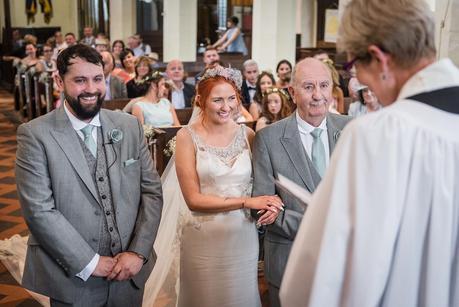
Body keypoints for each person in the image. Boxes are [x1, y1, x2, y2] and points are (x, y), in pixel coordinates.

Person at [280, 1, 459, 306]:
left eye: (353, 66)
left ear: (378, 58)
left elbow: (313, 282)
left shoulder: (377, 136)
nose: (358, 79)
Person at [15, 44, 163, 306]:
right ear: (59, 81)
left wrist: (138, 253)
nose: (91, 89)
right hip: (72, 277)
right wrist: (90, 262)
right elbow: (39, 210)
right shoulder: (35, 134)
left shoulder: (129, 127)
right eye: (80, 81)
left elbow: (151, 191)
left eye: (97, 79)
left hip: (129, 274)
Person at [173, 67, 282, 307]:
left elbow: (265, 186)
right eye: (218, 100)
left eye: (232, 98)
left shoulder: (249, 136)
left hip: (243, 235)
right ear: (201, 100)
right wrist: (245, 202)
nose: (226, 106)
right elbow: (193, 199)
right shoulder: (186, 137)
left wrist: (271, 205)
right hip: (203, 237)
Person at [252, 57, 351, 307]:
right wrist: (320, 226)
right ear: (292, 93)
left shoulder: (352, 129)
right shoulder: (268, 139)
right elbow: (264, 208)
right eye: (308, 87)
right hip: (290, 259)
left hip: (345, 262)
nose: (318, 95)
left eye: (324, 85)